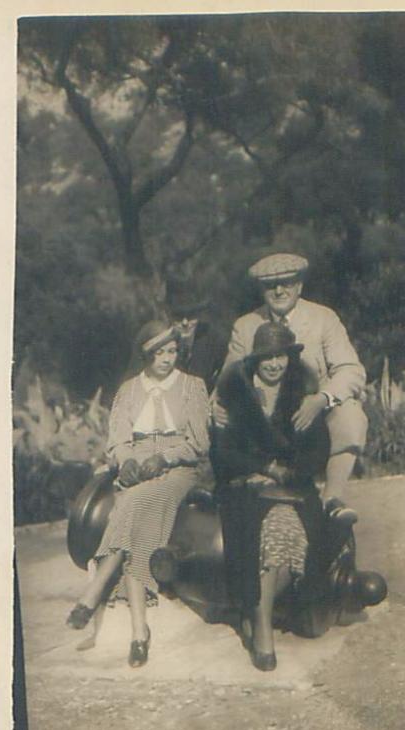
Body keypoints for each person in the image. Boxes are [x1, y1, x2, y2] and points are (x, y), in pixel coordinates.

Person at [65, 320, 210, 667]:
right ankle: (138, 633)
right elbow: (118, 440)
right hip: (138, 468)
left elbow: (200, 442)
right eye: (159, 353)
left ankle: (93, 592)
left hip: (177, 469)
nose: (167, 359)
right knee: (136, 514)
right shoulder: (129, 391)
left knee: (135, 501)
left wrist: (167, 457)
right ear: (145, 355)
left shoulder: (192, 386)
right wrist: (127, 461)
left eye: (172, 351)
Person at [211, 322, 331, 671]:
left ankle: (257, 614)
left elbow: (318, 453)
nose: (274, 364)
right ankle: (263, 625)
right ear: (255, 360)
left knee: (286, 531)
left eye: (280, 356)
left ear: (290, 358)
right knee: (252, 537)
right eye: (267, 357)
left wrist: (289, 473)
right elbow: (224, 454)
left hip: (290, 491)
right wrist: (265, 468)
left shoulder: (303, 396)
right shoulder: (235, 396)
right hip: (244, 487)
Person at [213, 253, 367, 522]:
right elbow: (229, 378)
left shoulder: (323, 318)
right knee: (221, 420)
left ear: (300, 286)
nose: (279, 290)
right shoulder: (246, 326)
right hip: (267, 413)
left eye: (287, 283)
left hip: (315, 410)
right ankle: (229, 498)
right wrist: (216, 405)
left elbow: (350, 369)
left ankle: (332, 499)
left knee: (351, 414)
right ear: (261, 290)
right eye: (271, 285)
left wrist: (321, 398)